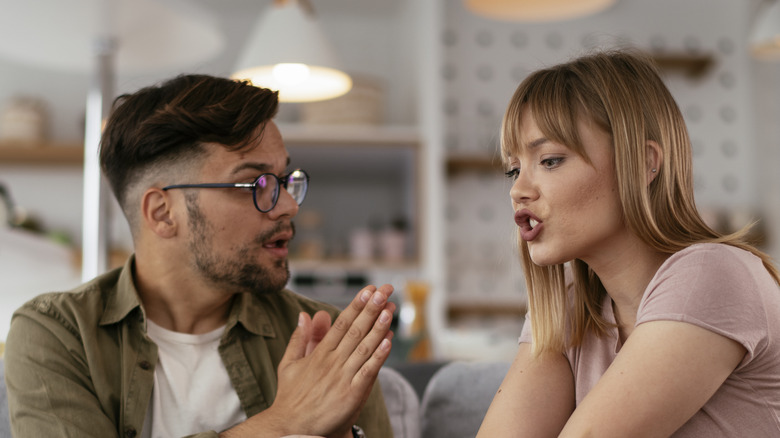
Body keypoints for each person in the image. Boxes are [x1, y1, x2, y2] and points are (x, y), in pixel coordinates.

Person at [3, 74, 396, 438]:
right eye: (255, 183)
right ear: (162, 213)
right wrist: (285, 422)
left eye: (282, 181)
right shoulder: (57, 336)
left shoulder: (330, 341)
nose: (288, 206)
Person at [477, 49, 780, 437]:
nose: (518, 190)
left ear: (642, 162)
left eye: (550, 160)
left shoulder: (715, 273)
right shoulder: (568, 311)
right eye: (513, 169)